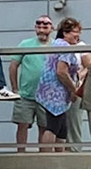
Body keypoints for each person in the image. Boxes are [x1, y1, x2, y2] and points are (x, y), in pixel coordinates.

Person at [34, 17, 83, 149]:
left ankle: (59, 160)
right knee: (53, 126)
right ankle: (46, 159)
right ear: (65, 33)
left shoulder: (56, 43)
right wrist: (74, 89)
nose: (77, 35)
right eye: (75, 32)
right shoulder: (66, 47)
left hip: (49, 91)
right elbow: (61, 71)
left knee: (62, 129)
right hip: (56, 93)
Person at [10, 17, 58, 151]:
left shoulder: (56, 46)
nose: (42, 27)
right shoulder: (25, 44)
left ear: (52, 28)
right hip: (25, 94)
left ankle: (42, 157)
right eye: (39, 25)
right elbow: (13, 66)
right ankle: (21, 154)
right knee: (22, 125)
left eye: (46, 24)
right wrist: (15, 89)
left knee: (44, 127)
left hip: (47, 96)